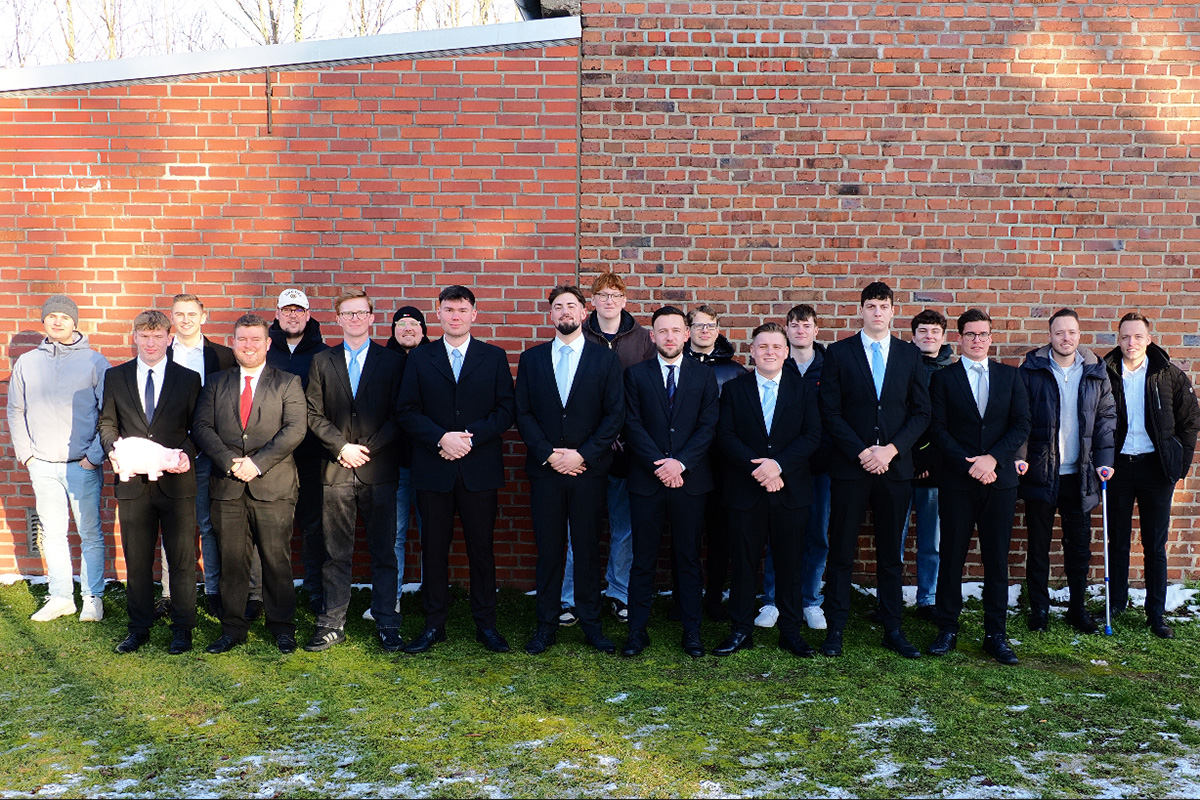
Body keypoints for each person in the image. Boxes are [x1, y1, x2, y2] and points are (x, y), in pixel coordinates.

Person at [397, 286, 516, 654]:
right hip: (434, 468)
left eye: (462, 310)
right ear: (439, 313)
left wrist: (468, 439)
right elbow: (407, 411)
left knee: (482, 549)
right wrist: (441, 439)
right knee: (433, 549)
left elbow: (505, 410)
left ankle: (486, 625)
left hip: (479, 468)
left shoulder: (493, 357)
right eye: (449, 309)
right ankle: (434, 624)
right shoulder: (421, 358)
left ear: (474, 314)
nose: (455, 316)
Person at [818, 282, 930, 659]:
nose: (877, 312)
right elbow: (830, 411)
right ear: (861, 310)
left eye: (883, 306)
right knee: (841, 550)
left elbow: (922, 412)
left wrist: (891, 450)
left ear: (893, 311)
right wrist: (862, 451)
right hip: (851, 467)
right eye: (871, 306)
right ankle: (835, 627)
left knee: (890, 554)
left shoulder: (909, 354)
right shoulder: (839, 353)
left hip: (894, 468)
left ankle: (893, 627)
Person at [516, 285, 625, 655]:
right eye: (558, 306)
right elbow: (523, 413)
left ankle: (592, 625)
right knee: (549, 550)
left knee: (587, 549)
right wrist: (549, 454)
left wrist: (583, 455)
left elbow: (614, 414)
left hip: (587, 472)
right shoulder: (531, 359)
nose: (565, 311)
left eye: (571, 306)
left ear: (584, 313)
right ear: (551, 315)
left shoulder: (605, 360)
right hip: (545, 471)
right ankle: (545, 626)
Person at [193, 313, 307, 654]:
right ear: (233, 343)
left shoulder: (287, 382)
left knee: (275, 560)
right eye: (242, 339)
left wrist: (256, 464)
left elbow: (295, 429)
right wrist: (230, 462)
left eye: (256, 339)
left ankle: (282, 626)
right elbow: (202, 427)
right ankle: (232, 628)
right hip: (227, 486)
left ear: (268, 343)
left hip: (273, 485)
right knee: (231, 561)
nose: (249, 345)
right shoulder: (216, 382)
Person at [926, 309, 1031, 664]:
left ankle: (995, 634)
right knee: (951, 556)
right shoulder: (944, 379)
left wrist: (992, 459)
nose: (977, 340)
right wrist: (969, 463)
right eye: (970, 334)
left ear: (990, 337)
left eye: (982, 334)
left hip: (1000, 482)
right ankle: (947, 629)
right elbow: (937, 429)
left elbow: (1021, 424)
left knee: (996, 559)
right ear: (959, 339)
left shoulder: (1010, 376)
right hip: (958, 481)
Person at [304, 288, 405, 653]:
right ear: (338, 319)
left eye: (362, 312)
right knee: (335, 553)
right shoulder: (322, 361)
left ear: (372, 317)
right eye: (348, 313)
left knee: (384, 552)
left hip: (378, 470)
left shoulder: (392, 361)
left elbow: (400, 414)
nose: (355, 319)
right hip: (336, 469)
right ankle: (332, 624)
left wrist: (367, 449)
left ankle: (387, 622)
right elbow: (312, 413)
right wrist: (341, 447)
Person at [712, 323, 822, 658]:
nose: (769, 352)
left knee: (790, 563)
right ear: (752, 351)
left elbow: (812, 436)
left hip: (790, 490)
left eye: (776, 346)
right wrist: (759, 469)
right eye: (763, 347)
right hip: (746, 490)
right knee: (743, 562)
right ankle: (741, 629)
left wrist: (779, 466)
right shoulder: (735, 389)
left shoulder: (804, 390)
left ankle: (790, 630)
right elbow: (725, 436)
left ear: (786, 352)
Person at [99, 310, 201, 654]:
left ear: (169, 339)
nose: (151, 343)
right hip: (133, 485)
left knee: (182, 559)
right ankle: (138, 628)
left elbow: (198, 426)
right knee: (138, 559)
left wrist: (186, 454)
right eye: (145, 336)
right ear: (135, 337)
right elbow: (107, 423)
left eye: (158, 336)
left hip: (176, 484)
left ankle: (182, 628)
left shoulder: (188, 379)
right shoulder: (116, 377)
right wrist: (112, 450)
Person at [620, 306, 720, 658]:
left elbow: (708, 425)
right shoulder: (636, 375)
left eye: (676, 330)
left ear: (687, 333)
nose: (670, 337)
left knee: (688, 558)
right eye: (662, 331)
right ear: (652, 336)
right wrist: (660, 465)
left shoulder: (704, 376)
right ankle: (637, 632)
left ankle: (692, 631)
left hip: (690, 482)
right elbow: (631, 424)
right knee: (643, 559)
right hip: (647, 481)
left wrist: (680, 464)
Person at [558, 271, 655, 627]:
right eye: (602, 295)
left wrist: (622, 432)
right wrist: (597, 437)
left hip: (627, 450)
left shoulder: (642, 339)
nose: (609, 301)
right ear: (592, 303)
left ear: (624, 301)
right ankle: (570, 597)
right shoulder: (577, 335)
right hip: (585, 450)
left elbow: (646, 393)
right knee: (578, 528)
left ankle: (618, 592)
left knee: (623, 526)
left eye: (615, 295)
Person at [7, 295, 109, 623]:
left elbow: (110, 413)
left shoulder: (95, 361)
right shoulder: (27, 363)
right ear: (44, 321)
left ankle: (92, 597)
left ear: (74, 322)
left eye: (64, 317)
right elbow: (15, 410)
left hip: (82, 464)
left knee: (90, 533)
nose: (57, 321)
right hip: (42, 465)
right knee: (53, 533)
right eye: (51, 316)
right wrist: (28, 455)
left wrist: (94, 457)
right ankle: (62, 596)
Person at [1016, 308, 1116, 634]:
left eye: (1071, 332)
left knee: (1079, 547)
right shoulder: (1031, 370)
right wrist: (1020, 456)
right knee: (1038, 546)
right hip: (1042, 471)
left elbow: (1106, 420)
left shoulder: (1095, 371)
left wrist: (1105, 460)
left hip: (1081, 474)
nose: (1065, 338)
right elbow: (1020, 419)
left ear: (1079, 334)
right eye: (1059, 332)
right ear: (1050, 335)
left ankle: (1077, 608)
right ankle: (1039, 609)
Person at [1102, 312, 1200, 639]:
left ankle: (1155, 613)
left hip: (1156, 469)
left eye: (1137, 336)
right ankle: (1116, 604)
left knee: (1154, 544)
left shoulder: (1168, 374)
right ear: (1118, 338)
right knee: (1117, 540)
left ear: (1149, 339)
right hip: (1118, 467)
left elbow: (1190, 421)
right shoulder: (1105, 372)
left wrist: (1178, 464)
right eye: (1125, 336)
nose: (1131, 342)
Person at [163, 292, 248, 622]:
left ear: (203, 317)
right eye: (179, 314)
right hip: (170, 453)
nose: (185, 320)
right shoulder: (161, 352)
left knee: (210, 525)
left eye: (191, 314)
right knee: (172, 525)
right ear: (172, 318)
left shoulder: (223, 356)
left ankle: (214, 592)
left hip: (209, 453)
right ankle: (170, 594)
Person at [266, 288, 330, 614]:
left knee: (314, 525)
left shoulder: (324, 354)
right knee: (271, 524)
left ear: (308, 315)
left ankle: (315, 589)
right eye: (286, 310)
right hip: (271, 456)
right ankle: (269, 591)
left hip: (311, 455)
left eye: (298, 310)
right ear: (277, 314)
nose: (292, 316)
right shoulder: (263, 351)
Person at [683, 304, 747, 622]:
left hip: (723, 467)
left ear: (718, 330)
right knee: (686, 535)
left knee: (720, 536)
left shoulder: (734, 372)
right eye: (698, 325)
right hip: (688, 465)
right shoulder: (676, 365)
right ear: (688, 331)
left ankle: (714, 598)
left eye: (710, 326)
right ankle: (684, 598)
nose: (704, 331)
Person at [777, 303, 832, 632]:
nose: (800, 330)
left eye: (806, 325)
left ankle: (811, 600)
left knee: (817, 534)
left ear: (816, 330)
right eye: (794, 325)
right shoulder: (776, 363)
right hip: (782, 467)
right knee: (778, 534)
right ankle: (773, 599)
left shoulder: (829, 368)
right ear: (787, 330)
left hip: (819, 466)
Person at [378, 305, 431, 622]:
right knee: (394, 535)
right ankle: (392, 597)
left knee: (431, 534)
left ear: (424, 329)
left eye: (414, 323)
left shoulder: (435, 360)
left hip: (429, 463)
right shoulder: (384, 362)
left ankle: (431, 597)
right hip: (393, 465)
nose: (408, 328)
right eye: (401, 323)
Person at [903, 309, 954, 619]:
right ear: (913, 336)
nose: (929, 336)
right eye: (922, 331)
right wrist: (909, 457)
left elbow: (949, 422)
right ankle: (890, 599)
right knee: (893, 537)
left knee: (930, 539)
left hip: (935, 468)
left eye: (935, 331)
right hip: (900, 463)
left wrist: (930, 460)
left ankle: (928, 598)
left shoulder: (951, 372)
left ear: (943, 337)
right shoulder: (901, 366)